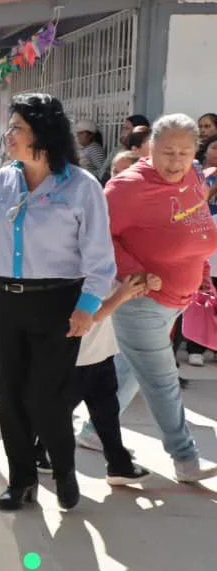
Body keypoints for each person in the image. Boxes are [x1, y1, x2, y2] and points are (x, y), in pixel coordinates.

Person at [0, 94, 117, 512]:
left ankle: (63, 470)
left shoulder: (82, 188)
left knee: (45, 397)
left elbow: (100, 258)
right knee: (9, 395)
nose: (8, 136)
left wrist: (87, 306)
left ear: (43, 134)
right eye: (9, 128)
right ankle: (21, 480)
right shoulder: (3, 181)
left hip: (59, 303)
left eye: (16, 128)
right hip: (6, 299)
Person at [79, 114, 217, 482]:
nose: (176, 162)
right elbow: (95, 237)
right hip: (141, 300)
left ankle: (93, 431)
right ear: (150, 148)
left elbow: (195, 222)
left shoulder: (193, 176)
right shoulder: (127, 187)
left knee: (132, 370)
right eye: (168, 152)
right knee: (162, 379)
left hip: (179, 297)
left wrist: (200, 268)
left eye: (185, 153)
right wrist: (132, 270)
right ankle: (185, 458)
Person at [44, 275, 153, 486]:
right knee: (63, 411)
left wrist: (139, 287)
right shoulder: (80, 270)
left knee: (107, 412)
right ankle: (39, 451)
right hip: (79, 357)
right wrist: (121, 295)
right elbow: (90, 315)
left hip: (100, 353)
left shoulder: (108, 265)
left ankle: (119, 465)